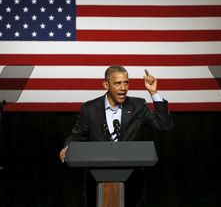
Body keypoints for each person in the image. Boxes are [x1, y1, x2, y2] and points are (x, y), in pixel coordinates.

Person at [59, 65, 174, 207]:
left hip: (131, 179)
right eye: (117, 83)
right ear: (106, 84)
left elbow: (164, 125)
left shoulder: (138, 105)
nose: (123, 87)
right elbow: (77, 135)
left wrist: (154, 93)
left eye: (126, 82)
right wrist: (67, 146)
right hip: (97, 178)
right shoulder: (90, 108)